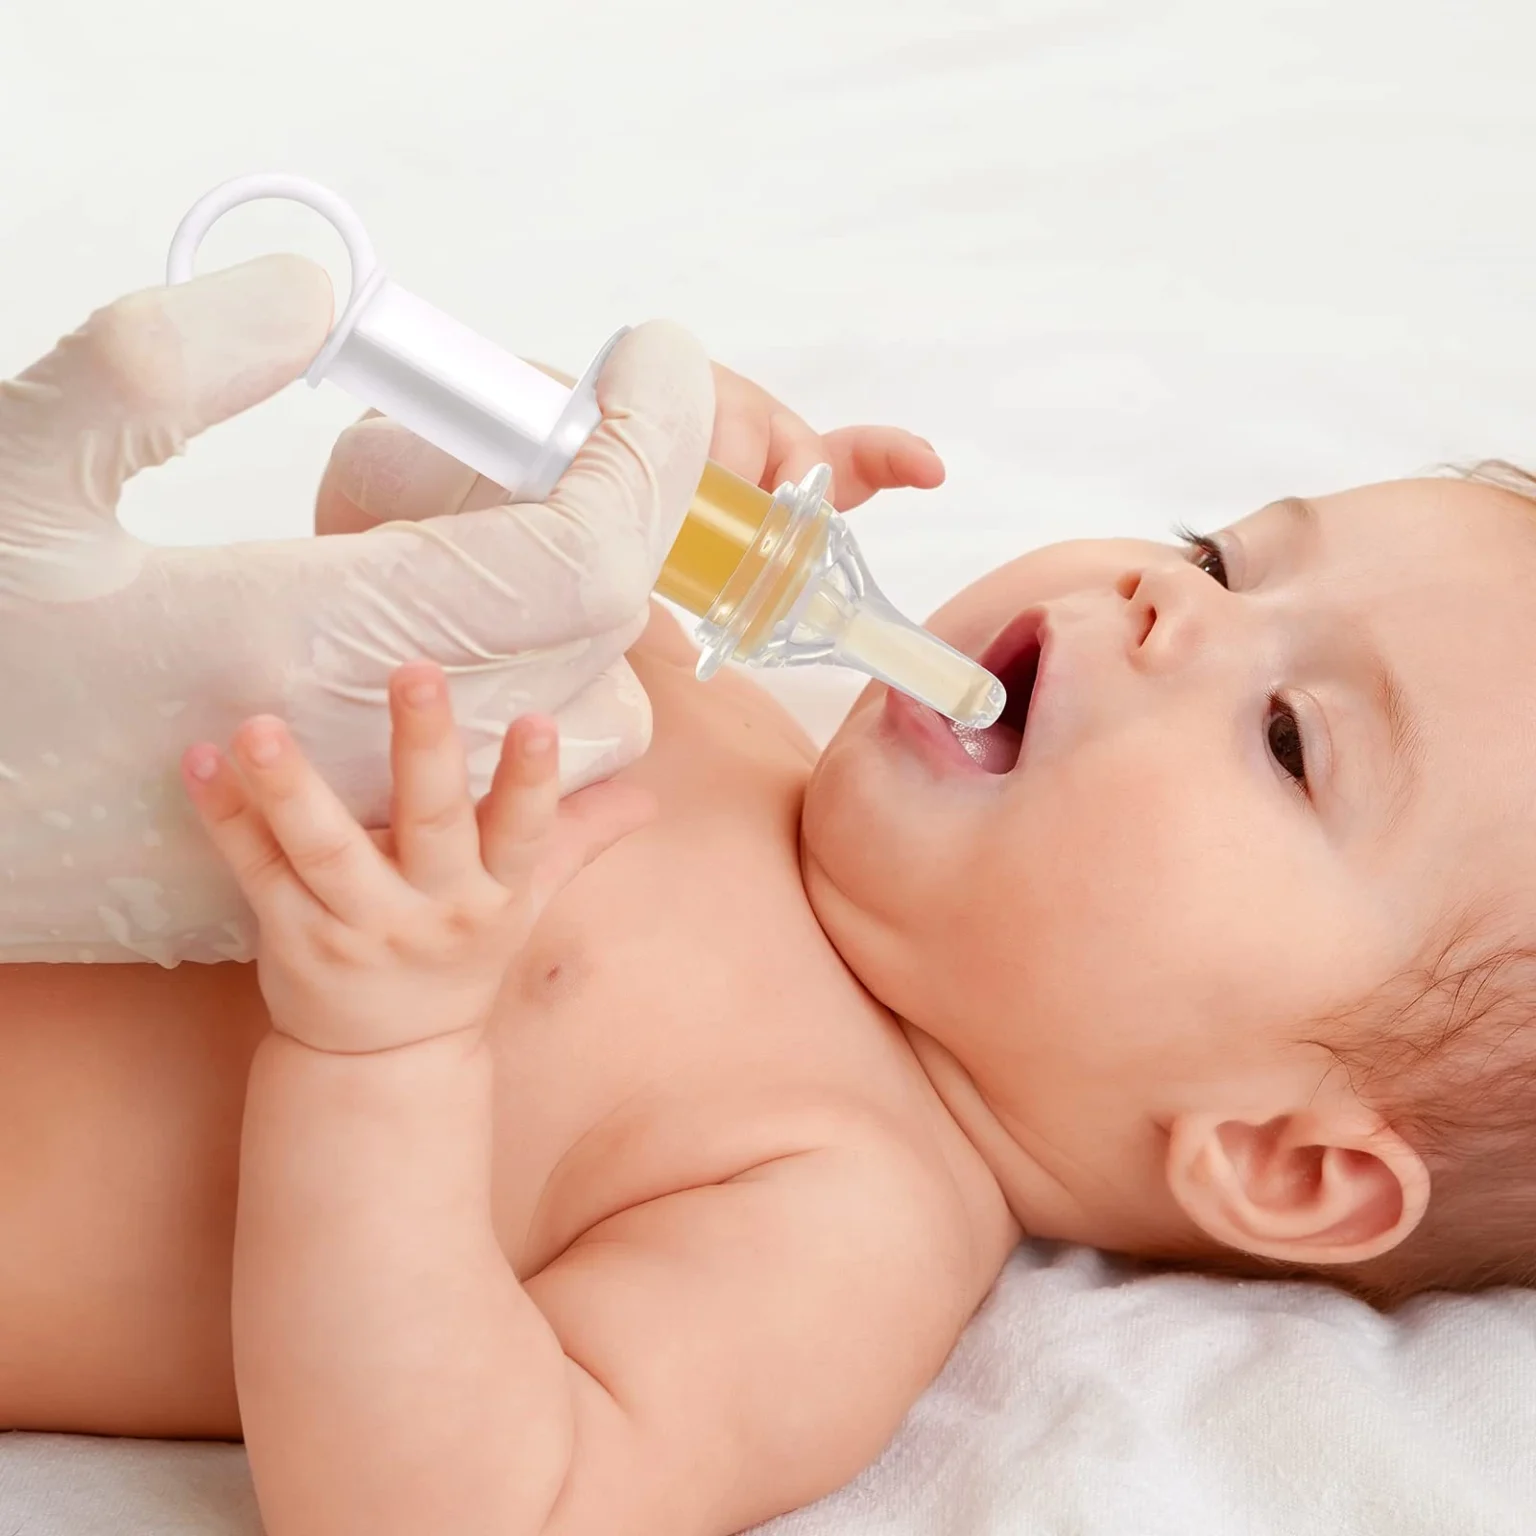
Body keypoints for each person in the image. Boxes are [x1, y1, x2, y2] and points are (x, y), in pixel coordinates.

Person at [3, 254, 1534, 1536]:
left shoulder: (840, 1211)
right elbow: (388, 520)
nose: (1170, 604)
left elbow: (465, 1503)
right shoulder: (716, 712)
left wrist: (379, 1059)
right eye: (1226, 554)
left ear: (1281, 1162)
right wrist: (578, 469)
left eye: (1287, 738)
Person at [0, 257, 692, 964]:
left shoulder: (784, 1044)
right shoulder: (714, 682)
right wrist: (642, 453)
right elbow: (385, 554)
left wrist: (395, 1028)